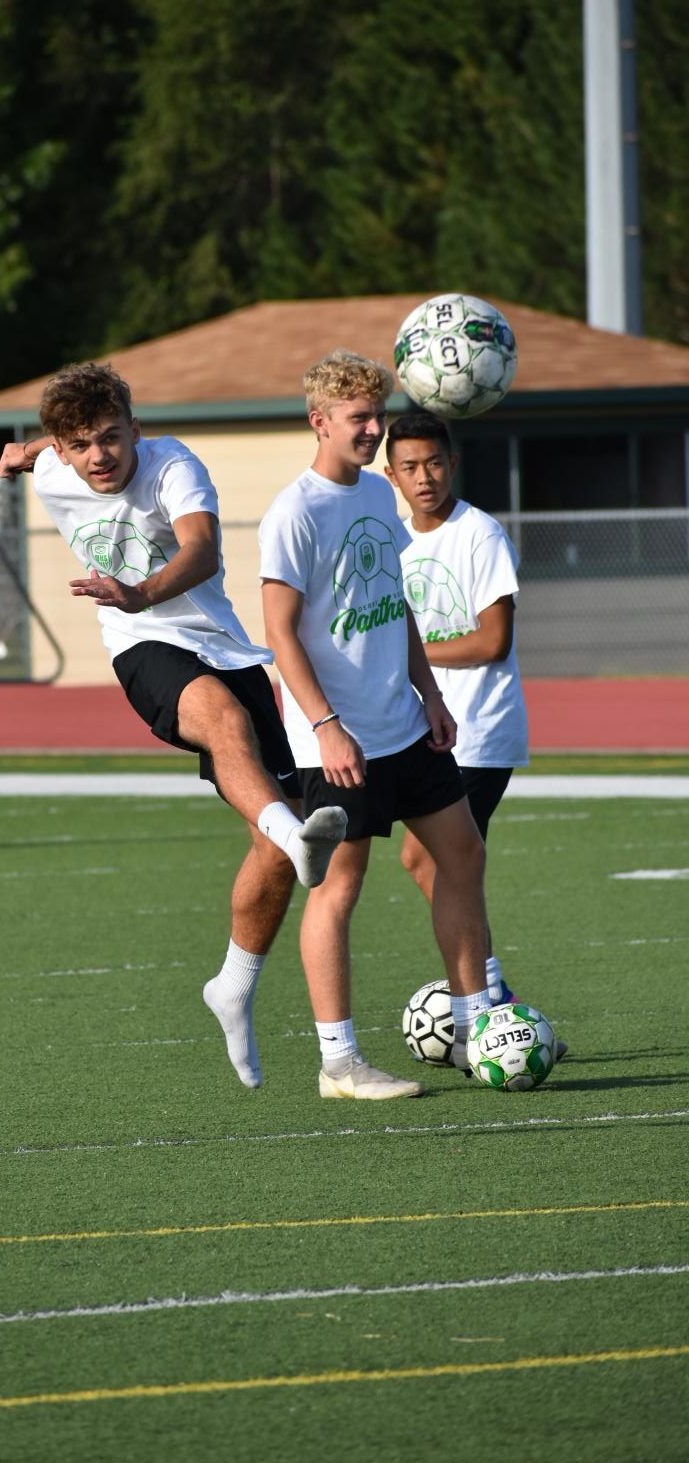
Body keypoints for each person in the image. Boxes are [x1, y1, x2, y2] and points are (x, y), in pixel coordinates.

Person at [0, 362, 347, 1091]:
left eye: (112, 438)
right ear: (61, 448)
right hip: (142, 647)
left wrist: (139, 590)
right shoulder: (51, 464)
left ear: (136, 430)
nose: (99, 456)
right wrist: (16, 454)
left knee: (273, 855)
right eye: (81, 443)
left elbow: (203, 550)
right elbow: (32, 451)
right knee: (218, 718)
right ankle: (292, 831)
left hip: (221, 641)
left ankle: (234, 984)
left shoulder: (172, 465)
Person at [258, 349, 500, 1098]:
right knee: (338, 887)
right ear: (318, 421)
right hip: (337, 740)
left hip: (401, 723)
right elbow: (279, 632)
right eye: (358, 418)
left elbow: (392, 603)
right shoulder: (292, 511)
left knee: (461, 853)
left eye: (376, 416)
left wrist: (427, 691)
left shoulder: (373, 494)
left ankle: (468, 1026)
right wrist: (326, 725)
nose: (371, 431)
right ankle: (339, 1062)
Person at [384, 409, 566, 1056]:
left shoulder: (479, 532)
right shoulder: (394, 538)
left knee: (434, 860)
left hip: (479, 729)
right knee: (430, 861)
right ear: (391, 475)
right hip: (428, 729)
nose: (423, 476)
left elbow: (492, 640)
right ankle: (497, 1002)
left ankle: (493, 1006)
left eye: (433, 461)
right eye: (409, 466)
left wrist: (406, 653)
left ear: (451, 462)